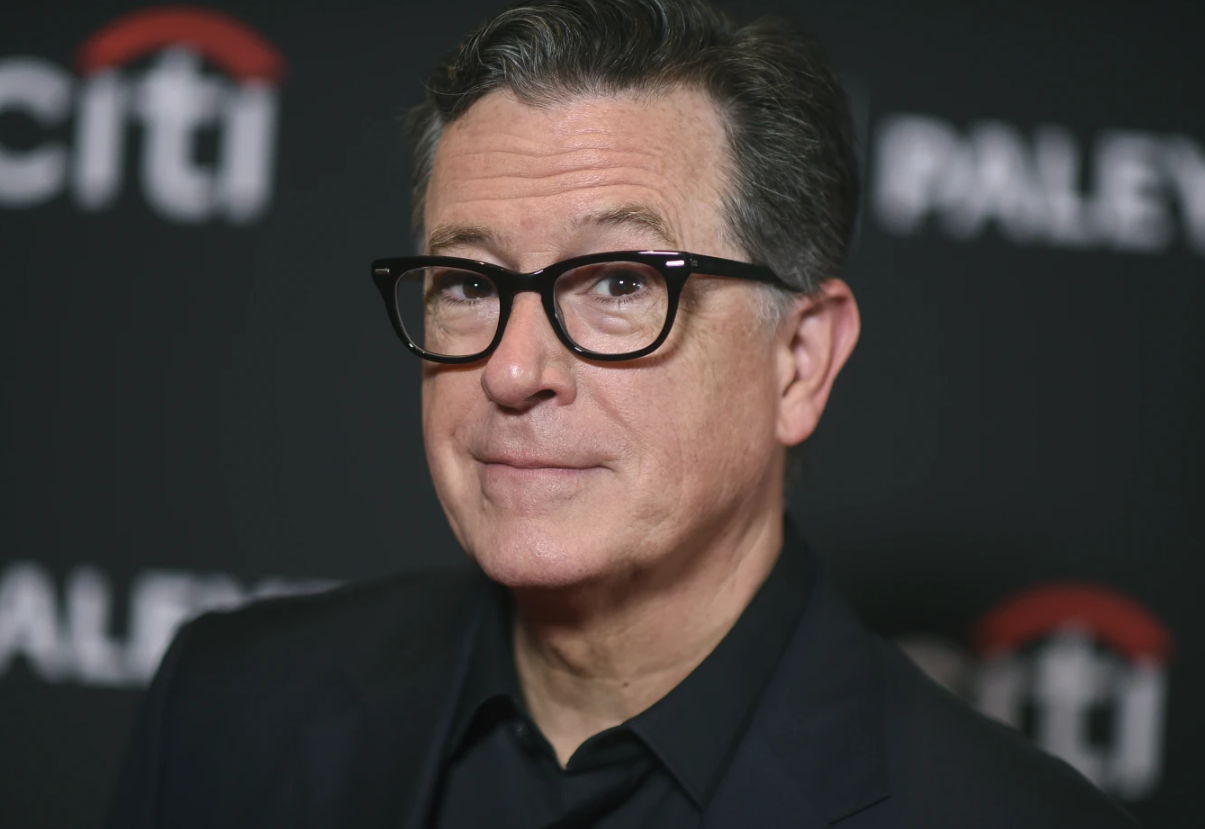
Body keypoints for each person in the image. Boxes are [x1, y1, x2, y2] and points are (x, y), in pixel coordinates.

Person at [107, 1, 1140, 826]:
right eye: (466, 283)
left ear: (799, 358)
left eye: (616, 284)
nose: (513, 371)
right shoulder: (228, 709)